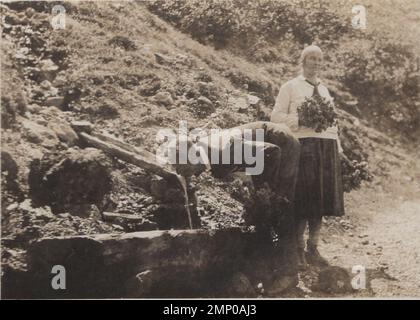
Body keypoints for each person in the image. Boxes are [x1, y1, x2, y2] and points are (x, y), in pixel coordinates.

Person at [270, 45, 345, 269]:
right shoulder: (290, 87)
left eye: (319, 59)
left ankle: (313, 247)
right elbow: (275, 117)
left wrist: (338, 149)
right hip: (303, 146)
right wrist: (300, 120)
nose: (315, 62)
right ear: (302, 61)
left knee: (320, 201)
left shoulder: (324, 90)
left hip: (326, 148)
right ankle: (298, 250)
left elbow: (333, 124)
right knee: (303, 200)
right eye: (311, 58)